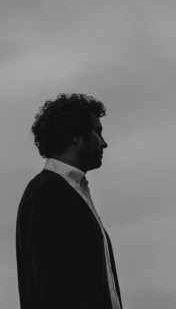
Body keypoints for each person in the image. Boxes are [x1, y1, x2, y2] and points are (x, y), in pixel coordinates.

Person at [15, 93, 122, 309]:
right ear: (76, 136)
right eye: (97, 131)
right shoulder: (49, 192)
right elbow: (55, 286)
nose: (104, 143)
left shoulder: (68, 191)